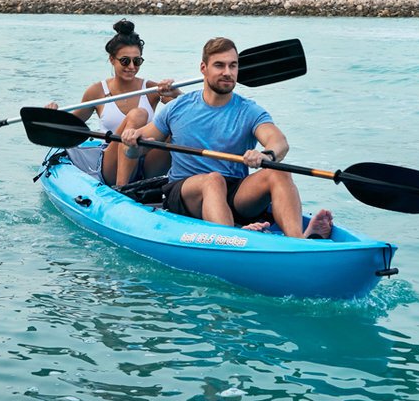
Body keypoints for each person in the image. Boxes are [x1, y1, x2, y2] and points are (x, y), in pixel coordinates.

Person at [118, 35, 332, 239]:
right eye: (219, 65)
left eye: (233, 65)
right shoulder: (178, 107)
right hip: (185, 192)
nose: (227, 72)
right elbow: (138, 148)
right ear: (204, 68)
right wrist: (131, 143)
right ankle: (234, 239)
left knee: (279, 173)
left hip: (235, 193)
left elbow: (279, 143)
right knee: (213, 180)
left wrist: (267, 155)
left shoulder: (249, 110)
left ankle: (299, 240)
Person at [50, 19, 176, 185]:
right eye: (125, 61)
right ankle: (122, 188)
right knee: (138, 114)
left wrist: (175, 91)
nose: (131, 66)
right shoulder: (97, 91)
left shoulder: (152, 89)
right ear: (112, 59)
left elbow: (185, 111)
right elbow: (71, 126)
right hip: (111, 164)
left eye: (137, 61)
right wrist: (52, 117)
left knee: (173, 123)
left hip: (146, 161)